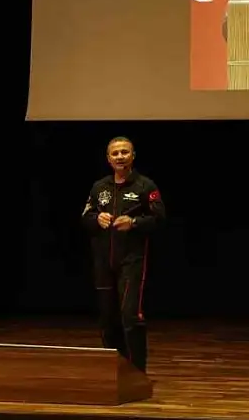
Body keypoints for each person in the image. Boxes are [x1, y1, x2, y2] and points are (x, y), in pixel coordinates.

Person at [81, 136, 166, 373]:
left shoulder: (145, 186)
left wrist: (135, 223)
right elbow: (85, 217)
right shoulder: (99, 187)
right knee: (108, 321)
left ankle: (137, 372)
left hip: (132, 260)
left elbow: (159, 219)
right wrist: (96, 218)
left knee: (130, 317)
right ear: (108, 159)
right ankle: (115, 371)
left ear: (133, 156)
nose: (120, 156)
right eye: (115, 153)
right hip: (103, 262)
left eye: (124, 152)